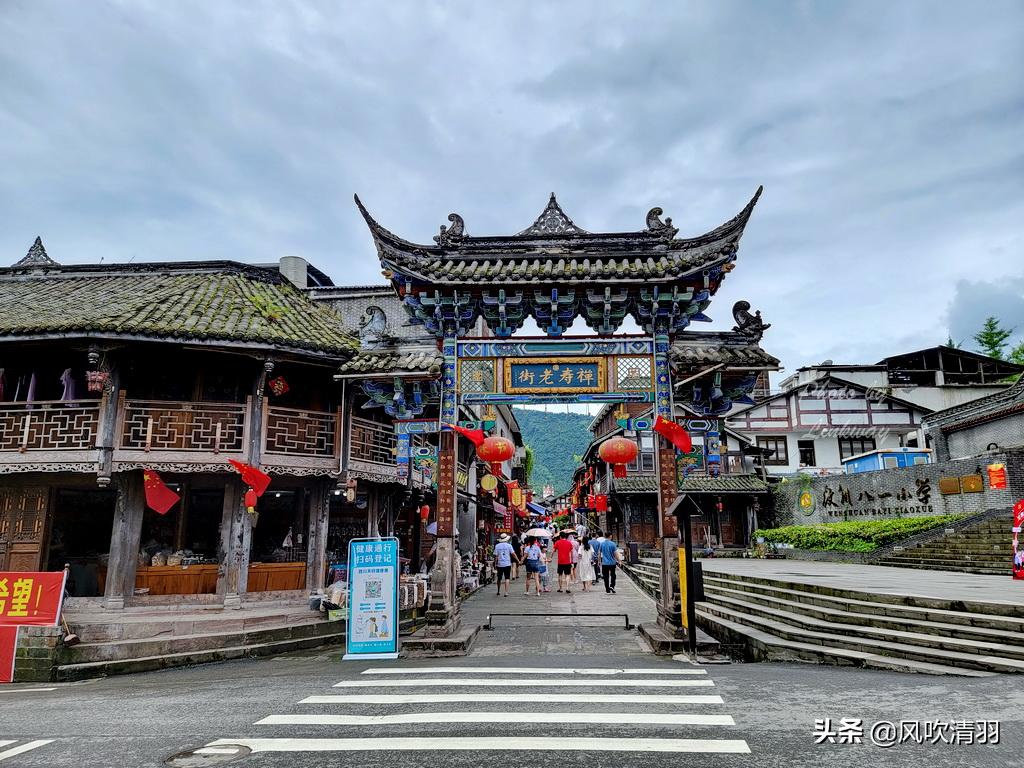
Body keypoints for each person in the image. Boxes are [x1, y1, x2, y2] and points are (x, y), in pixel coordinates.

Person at [493, 533, 517, 597]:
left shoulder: (497, 546)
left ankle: (498, 591)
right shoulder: (509, 546)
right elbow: (513, 554)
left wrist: (495, 563)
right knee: (507, 578)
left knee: (499, 578)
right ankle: (506, 592)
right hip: (507, 563)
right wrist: (518, 560)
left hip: (499, 564)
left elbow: (495, 556)